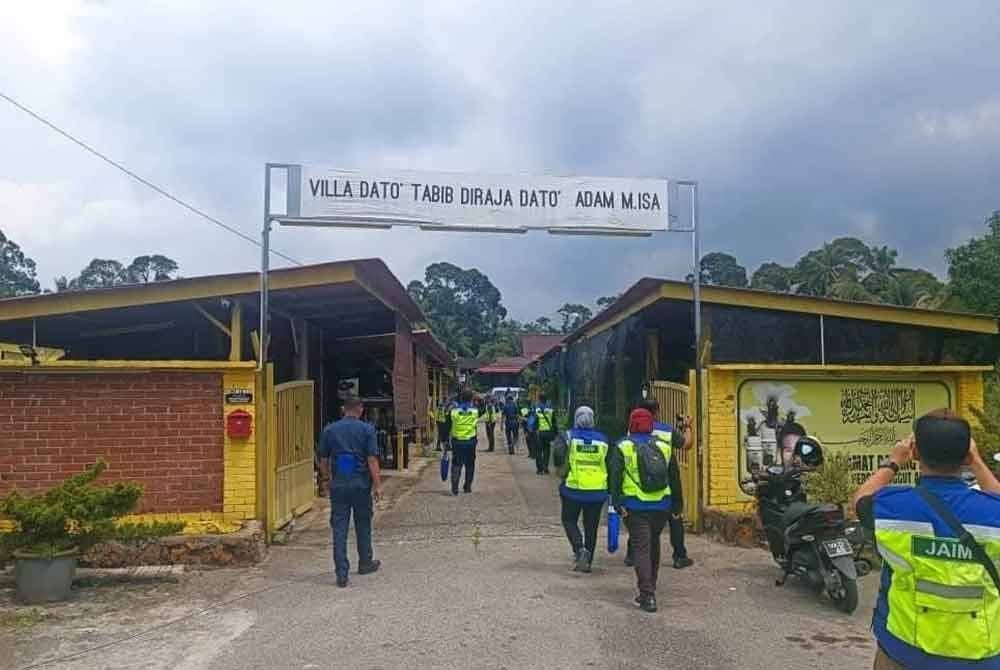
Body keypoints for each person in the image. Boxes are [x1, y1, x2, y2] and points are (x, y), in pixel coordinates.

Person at [853, 409, 1000, 669]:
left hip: (904, 651)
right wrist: (976, 461)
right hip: (980, 655)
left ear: (916, 452)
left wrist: (894, 461)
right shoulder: (992, 513)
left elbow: (861, 500)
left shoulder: (892, 507)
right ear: (966, 455)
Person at [609, 407, 674, 613]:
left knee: (641, 548)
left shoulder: (623, 446)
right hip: (662, 505)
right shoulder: (664, 446)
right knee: (653, 543)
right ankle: (651, 585)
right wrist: (677, 504)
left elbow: (615, 477)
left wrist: (616, 503)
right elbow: (674, 477)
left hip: (635, 506)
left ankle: (647, 595)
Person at [317, 396, 383, 588]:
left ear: (343, 409)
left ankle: (341, 573)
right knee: (363, 524)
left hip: (339, 485)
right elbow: (371, 459)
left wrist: (326, 479)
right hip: (361, 485)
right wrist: (377, 485)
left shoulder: (330, 429)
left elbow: (323, 459)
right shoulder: (367, 429)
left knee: (339, 529)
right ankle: (365, 562)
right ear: (360, 409)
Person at [624, 400, 694, 569]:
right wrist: (687, 427)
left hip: (640, 479)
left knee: (639, 517)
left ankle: (632, 555)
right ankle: (679, 556)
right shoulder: (666, 430)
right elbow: (687, 444)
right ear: (655, 412)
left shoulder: (632, 430)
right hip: (668, 477)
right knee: (674, 515)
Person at [552, 405, 609, 573]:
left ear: (576, 419)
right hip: (597, 491)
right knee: (591, 526)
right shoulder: (603, 440)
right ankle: (588, 560)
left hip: (573, 489)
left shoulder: (568, 436)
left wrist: (562, 469)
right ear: (593, 419)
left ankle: (579, 549)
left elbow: (557, 455)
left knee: (569, 520)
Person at [449, 389, 480, 495]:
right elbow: (483, 407)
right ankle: (467, 487)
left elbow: (449, 423)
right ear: (472, 398)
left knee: (456, 464)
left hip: (457, 442)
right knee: (470, 464)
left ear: (460, 398)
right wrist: (477, 397)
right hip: (470, 442)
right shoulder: (475, 411)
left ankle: (455, 487)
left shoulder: (454, 411)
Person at [534, 394, 556, 475]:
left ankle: (540, 470)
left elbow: (535, 422)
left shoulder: (537, 410)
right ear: (546, 400)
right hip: (548, 433)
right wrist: (555, 433)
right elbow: (554, 422)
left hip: (539, 433)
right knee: (547, 450)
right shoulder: (550, 410)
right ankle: (546, 468)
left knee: (539, 451)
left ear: (540, 400)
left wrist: (533, 431)